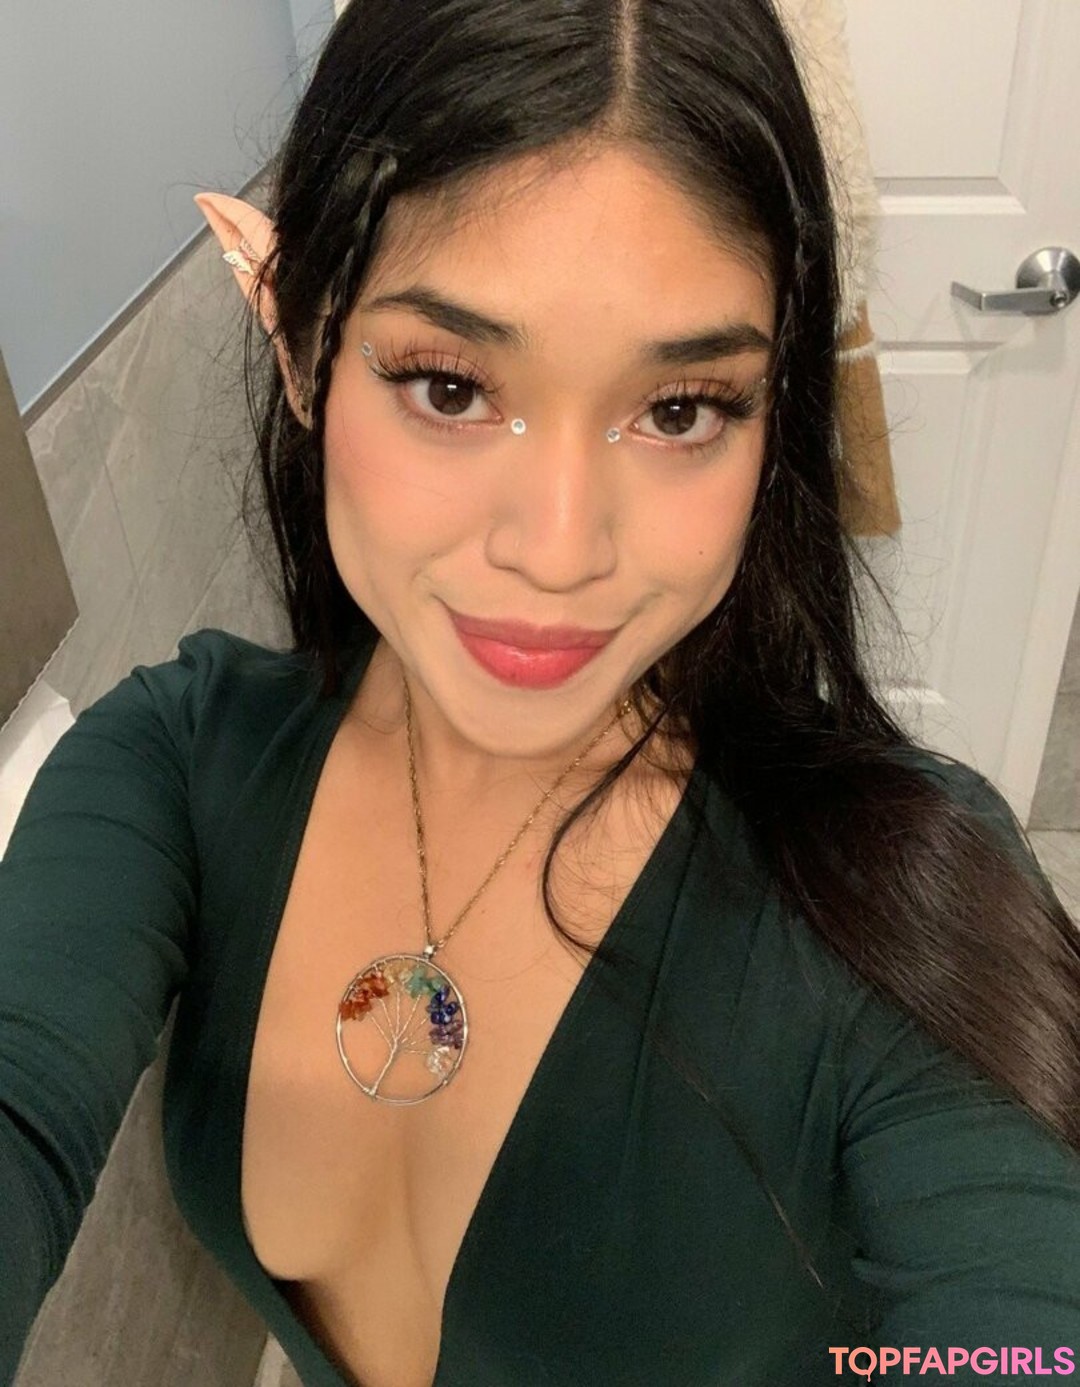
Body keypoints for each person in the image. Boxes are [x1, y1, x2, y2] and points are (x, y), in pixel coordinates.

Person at [3, 1, 1080, 1384]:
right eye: (451, 387)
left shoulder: (905, 904)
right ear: (305, 352)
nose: (559, 550)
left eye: (681, 409)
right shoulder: (171, 766)